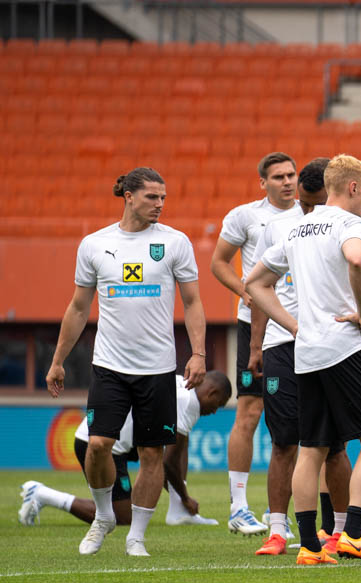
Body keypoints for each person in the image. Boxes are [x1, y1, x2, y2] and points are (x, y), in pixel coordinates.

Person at [46, 168, 208, 557]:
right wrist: (57, 361)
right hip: (109, 367)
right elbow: (78, 306)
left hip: (157, 369)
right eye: (152, 197)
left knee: (153, 454)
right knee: (99, 444)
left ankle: (136, 535)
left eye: (163, 198)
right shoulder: (95, 245)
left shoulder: (175, 243)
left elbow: (192, 302)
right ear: (129, 196)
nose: (160, 204)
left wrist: (199, 353)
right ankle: (104, 517)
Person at [245, 153, 361, 565]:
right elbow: (359, 259)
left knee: (311, 448)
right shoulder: (350, 224)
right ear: (350, 188)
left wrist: (294, 325)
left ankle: (310, 546)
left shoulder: (296, 229)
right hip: (344, 345)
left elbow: (254, 283)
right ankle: (356, 534)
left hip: (306, 350)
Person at [209, 152, 298, 536]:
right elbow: (219, 262)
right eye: (278, 176)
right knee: (249, 412)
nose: (287, 182)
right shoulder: (245, 216)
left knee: (297, 425)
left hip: (296, 327)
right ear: (263, 182)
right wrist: (246, 292)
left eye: (292, 174)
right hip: (255, 327)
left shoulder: (309, 216)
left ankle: (282, 510)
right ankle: (239, 505)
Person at [21, 373, 231, 529]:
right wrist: (185, 498)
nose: (214, 411)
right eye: (218, 404)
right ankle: (41, 494)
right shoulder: (189, 402)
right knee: (121, 517)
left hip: (118, 442)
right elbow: (167, 464)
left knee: (179, 442)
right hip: (99, 444)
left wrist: (180, 498)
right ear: (212, 392)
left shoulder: (183, 384)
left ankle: (177, 511)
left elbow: (177, 449)